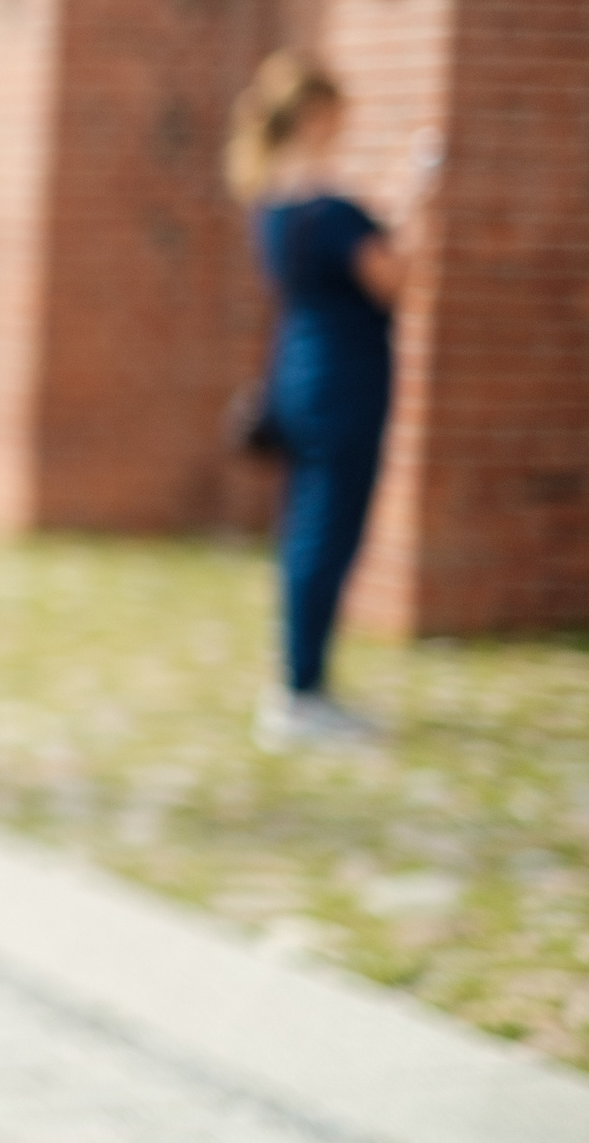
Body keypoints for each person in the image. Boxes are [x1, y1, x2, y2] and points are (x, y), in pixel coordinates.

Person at [225, 50, 427, 750]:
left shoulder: (272, 204)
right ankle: (301, 692)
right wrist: (415, 204)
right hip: (344, 381)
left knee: (306, 532)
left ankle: (301, 682)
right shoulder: (331, 208)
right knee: (327, 534)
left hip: (297, 376)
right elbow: (391, 279)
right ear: (315, 116)